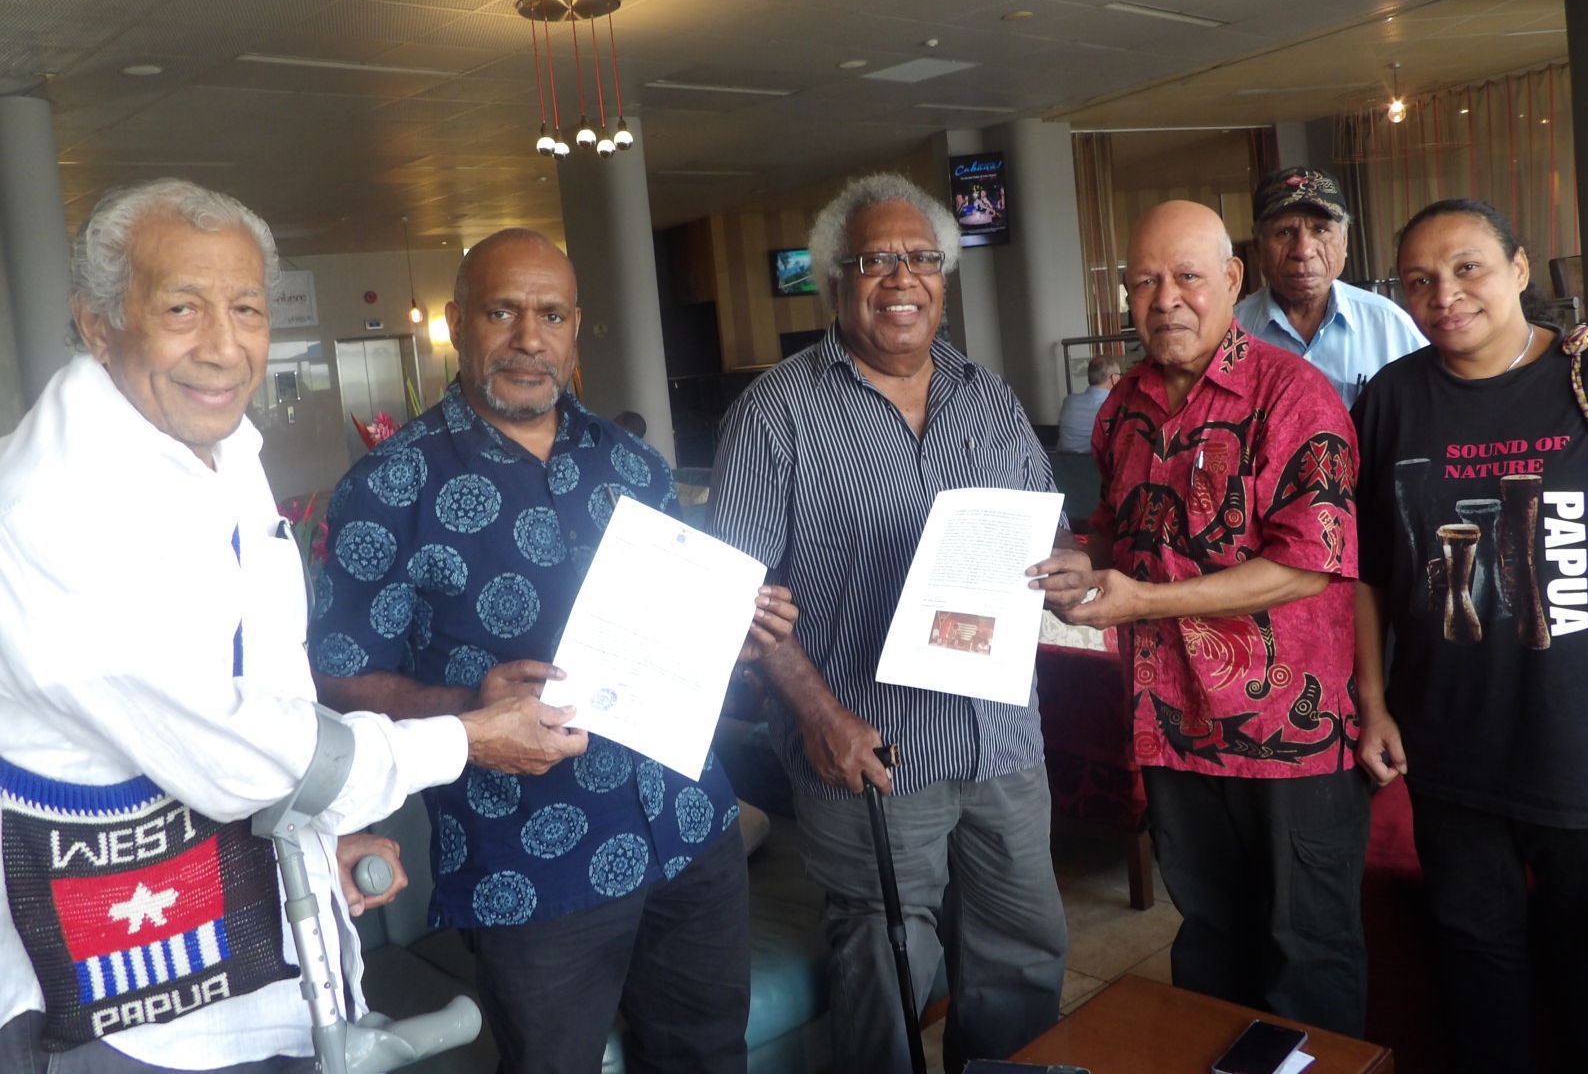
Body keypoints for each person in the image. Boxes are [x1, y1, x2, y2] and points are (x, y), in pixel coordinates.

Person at [0, 179, 582, 1073]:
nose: (223, 346)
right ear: (98, 324)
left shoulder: (219, 452)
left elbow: (264, 686)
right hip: (132, 1022)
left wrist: (318, 837)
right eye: (182, 308)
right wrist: (465, 738)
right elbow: (238, 753)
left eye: (246, 309)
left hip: (261, 956)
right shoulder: (53, 510)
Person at [309, 227, 795, 1074]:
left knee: (709, 1054)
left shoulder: (633, 465)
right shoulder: (387, 489)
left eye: (552, 315)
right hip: (531, 867)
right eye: (502, 312)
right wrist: (470, 706)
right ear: (459, 321)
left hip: (689, 825)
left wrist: (734, 632)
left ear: (575, 328)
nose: (529, 339)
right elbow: (336, 678)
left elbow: (677, 627)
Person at [707, 173, 1070, 1072]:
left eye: (921, 259)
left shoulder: (988, 396)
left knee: (1023, 960)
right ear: (836, 280)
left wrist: (1066, 566)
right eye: (876, 261)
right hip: (869, 752)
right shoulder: (776, 413)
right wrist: (816, 715)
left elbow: (1048, 532)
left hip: (1000, 741)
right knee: (886, 973)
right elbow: (734, 593)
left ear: (943, 277)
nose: (902, 278)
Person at [1031, 199, 1370, 1036]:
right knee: (1210, 941)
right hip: (1174, 724)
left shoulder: (1293, 394)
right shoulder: (1122, 408)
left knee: (1307, 952)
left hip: (1289, 733)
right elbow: (1119, 533)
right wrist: (1083, 564)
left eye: (1187, 277)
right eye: (1145, 282)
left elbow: (1308, 563)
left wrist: (1143, 601)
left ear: (1231, 279)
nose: (1166, 299)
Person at [1352, 198, 1588, 1072]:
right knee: (1475, 960)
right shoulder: (1393, 399)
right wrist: (1373, 703)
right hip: (1450, 744)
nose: (1444, 294)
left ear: (1520, 270)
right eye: (1419, 279)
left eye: (1468, 268)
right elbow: (1367, 571)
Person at [1235, 166, 1425, 404]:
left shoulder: (1390, 326)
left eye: (1320, 230)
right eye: (1284, 232)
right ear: (1258, 247)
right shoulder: (1231, 332)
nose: (1303, 251)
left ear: (1344, 241)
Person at [1055, 354, 1121, 452]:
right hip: (1096, 461)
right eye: (1120, 375)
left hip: (1060, 460)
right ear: (1114, 378)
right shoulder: (1115, 407)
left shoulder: (1069, 402)